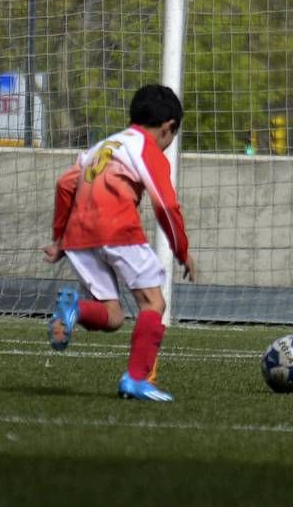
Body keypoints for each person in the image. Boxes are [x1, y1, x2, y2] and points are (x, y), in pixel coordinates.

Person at [43, 84, 195, 402]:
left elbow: (64, 184)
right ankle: (136, 379)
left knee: (111, 316)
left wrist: (59, 239)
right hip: (116, 227)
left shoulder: (103, 145)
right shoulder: (147, 149)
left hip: (79, 234)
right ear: (168, 127)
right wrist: (182, 251)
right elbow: (166, 205)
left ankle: (74, 309)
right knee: (153, 303)